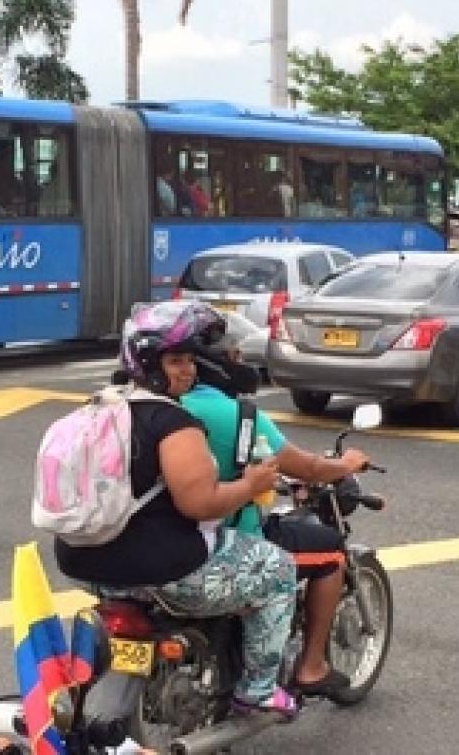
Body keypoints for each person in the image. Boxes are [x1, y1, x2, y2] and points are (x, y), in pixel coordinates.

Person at [56, 300, 300, 717]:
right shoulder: (173, 423)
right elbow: (199, 504)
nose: (187, 370)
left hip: (86, 564)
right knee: (278, 571)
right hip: (161, 573)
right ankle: (257, 690)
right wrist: (250, 484)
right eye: (175, 361)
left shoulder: (99, 410)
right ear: (148, 362)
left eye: (189, 360)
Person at [179, 332, 369, 698]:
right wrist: (346, 464)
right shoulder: (237, 415)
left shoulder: (163, 407)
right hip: (229, 541)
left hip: (167, 539)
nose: (242, 364)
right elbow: (309, 468)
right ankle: (311, 667)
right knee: (330, 551)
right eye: (234, 356)